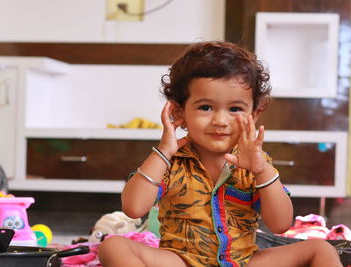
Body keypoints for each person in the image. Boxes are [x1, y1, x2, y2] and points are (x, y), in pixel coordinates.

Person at [98, 41, 342, 267]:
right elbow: (133, 208)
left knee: (321, 250)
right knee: (113, 246)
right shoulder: (169, 161)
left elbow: (280, 224)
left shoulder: (257, 163)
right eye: (205, 107)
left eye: (235, 109)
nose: (220, 121)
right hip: (181, 261)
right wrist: (163, 151)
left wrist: (261, 170)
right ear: (179, 112)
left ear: (253, 115)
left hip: (244, 261)